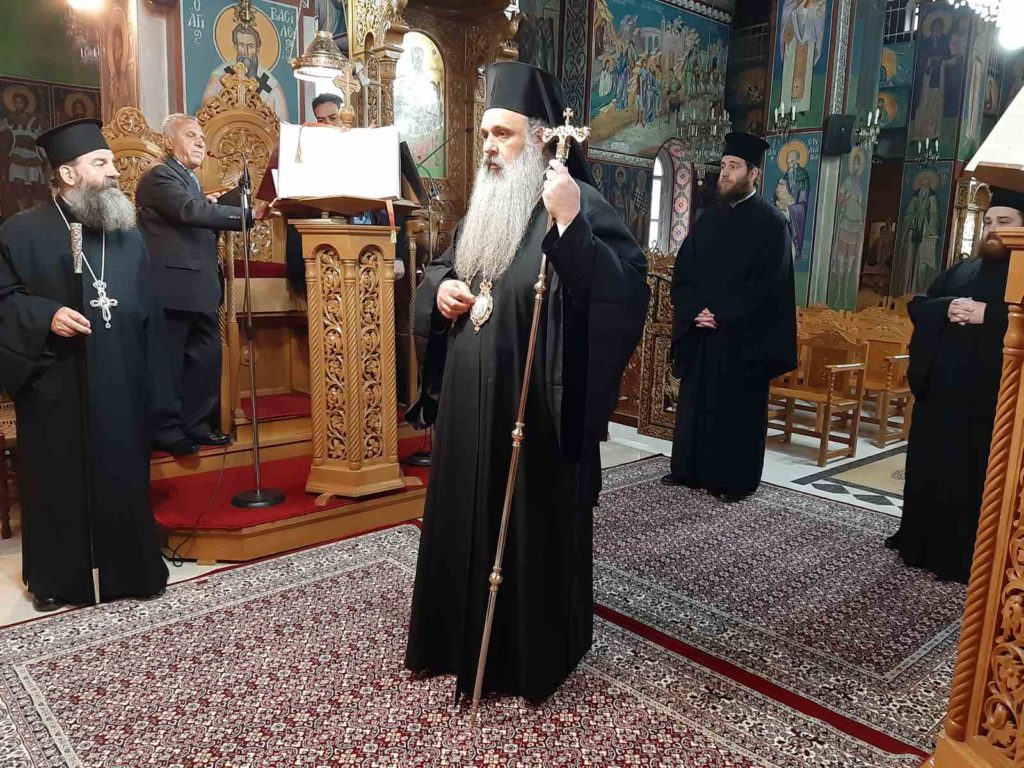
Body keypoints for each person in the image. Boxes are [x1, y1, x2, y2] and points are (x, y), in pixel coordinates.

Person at [404, 61, 649, 703]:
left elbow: (625, 294)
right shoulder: (485, 205)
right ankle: (451, 638)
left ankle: (525, 654)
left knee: (524, 527)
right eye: (485, 133)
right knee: (464, 511)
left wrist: (569, 227)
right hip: (469, 404)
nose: (488, 146)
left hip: (534, 410)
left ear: (541, 138)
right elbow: (443, 267)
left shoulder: (578, 202)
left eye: (503, 134)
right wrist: (442, 289)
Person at [0, 119, 173, 610]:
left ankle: (132, 571)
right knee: (56, 480)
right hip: (56, 382)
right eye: (102, 163)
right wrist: (45, 315)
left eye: (113, 162)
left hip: (120, 381)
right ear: (68, 174)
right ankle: (58, 580)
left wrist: (157, 390)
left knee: (123, 473)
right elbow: (3, 299)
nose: (115, 172)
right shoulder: (20, 232)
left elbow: (149, 311)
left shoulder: (127, 235)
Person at [886, 188, 1024, 583]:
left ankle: (967, 557)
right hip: (942, 396)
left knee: (973, 478)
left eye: (1004, 222)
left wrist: (991, 316)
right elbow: (920, 304)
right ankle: (921, 543)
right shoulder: (964, 268)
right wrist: (946, 308)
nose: (993, 229)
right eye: (988, 221)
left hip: (991, 403)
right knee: (932, 470)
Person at [662, 132, 797, 502]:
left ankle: (734, 480)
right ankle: (689, 469)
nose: (724, 173)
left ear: (753, 174)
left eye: (733, 167)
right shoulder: (707, 219)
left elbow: (769, 285)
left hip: (741, 339)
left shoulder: (772, 224)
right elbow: (684, 273)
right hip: (703, 332)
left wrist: (722, 314)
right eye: (723, 166)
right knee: (696, 401)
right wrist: (695, 312)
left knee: (736, 409)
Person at [135, 114, 269, 451]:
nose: (200, 142)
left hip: (200, 288)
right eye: (191, 135)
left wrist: (213, 202)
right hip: (172, 288)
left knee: (205, 361)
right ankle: (166, 431)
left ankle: (196, 426)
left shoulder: (188, 179)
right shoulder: (159, 175)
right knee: (169, 365)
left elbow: (195, 209)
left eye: (202, 137)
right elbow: (188, 212)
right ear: (168, 142)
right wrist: (247, 215)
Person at [203, 22, 289, 121]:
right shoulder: (218, 77)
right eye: (242, 45)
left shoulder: (272, 86)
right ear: (235, 47)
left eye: (251, 46)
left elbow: (282, 125)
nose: (246, 52)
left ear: (257, 49)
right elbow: (207, 116)